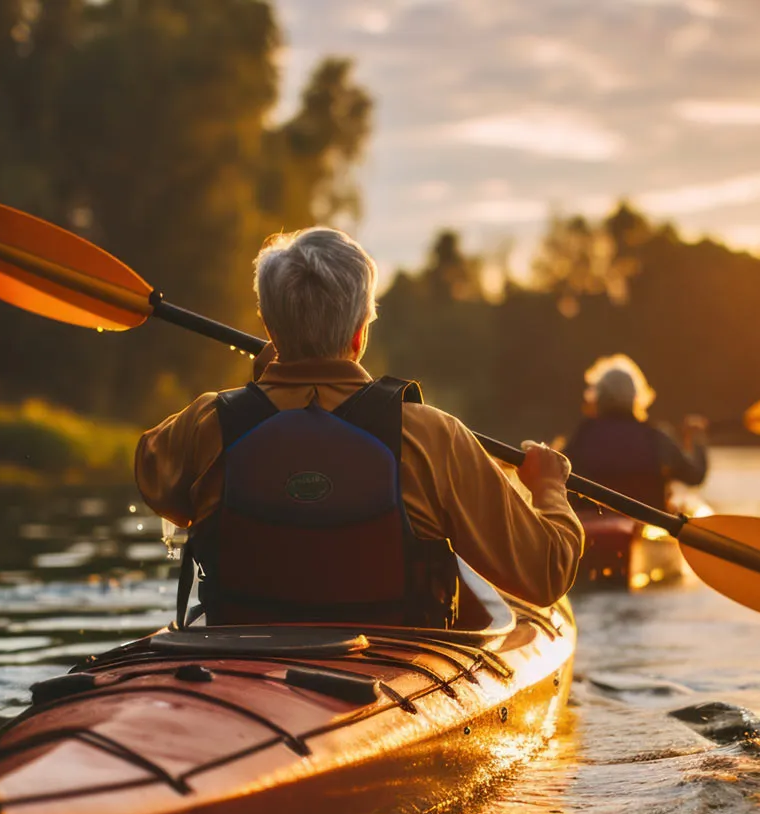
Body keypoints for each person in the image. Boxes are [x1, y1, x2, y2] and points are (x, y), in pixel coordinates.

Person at [134, 226, 582, 628]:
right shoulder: (431, 435)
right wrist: (549, 486)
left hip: (239, 661)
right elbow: (547, 574)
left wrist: (259, 399)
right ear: (359, 335)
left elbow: (154, 477)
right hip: (391, 678)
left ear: (270, 327)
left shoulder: (209, 422)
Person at [559, 355, 707, 511]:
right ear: (636, 398)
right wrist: (697, 437)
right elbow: (695, 475)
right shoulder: (655, 437)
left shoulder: (583, 437)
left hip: (590, 530)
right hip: (645, 529)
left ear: (598, 397)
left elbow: (555, 475)